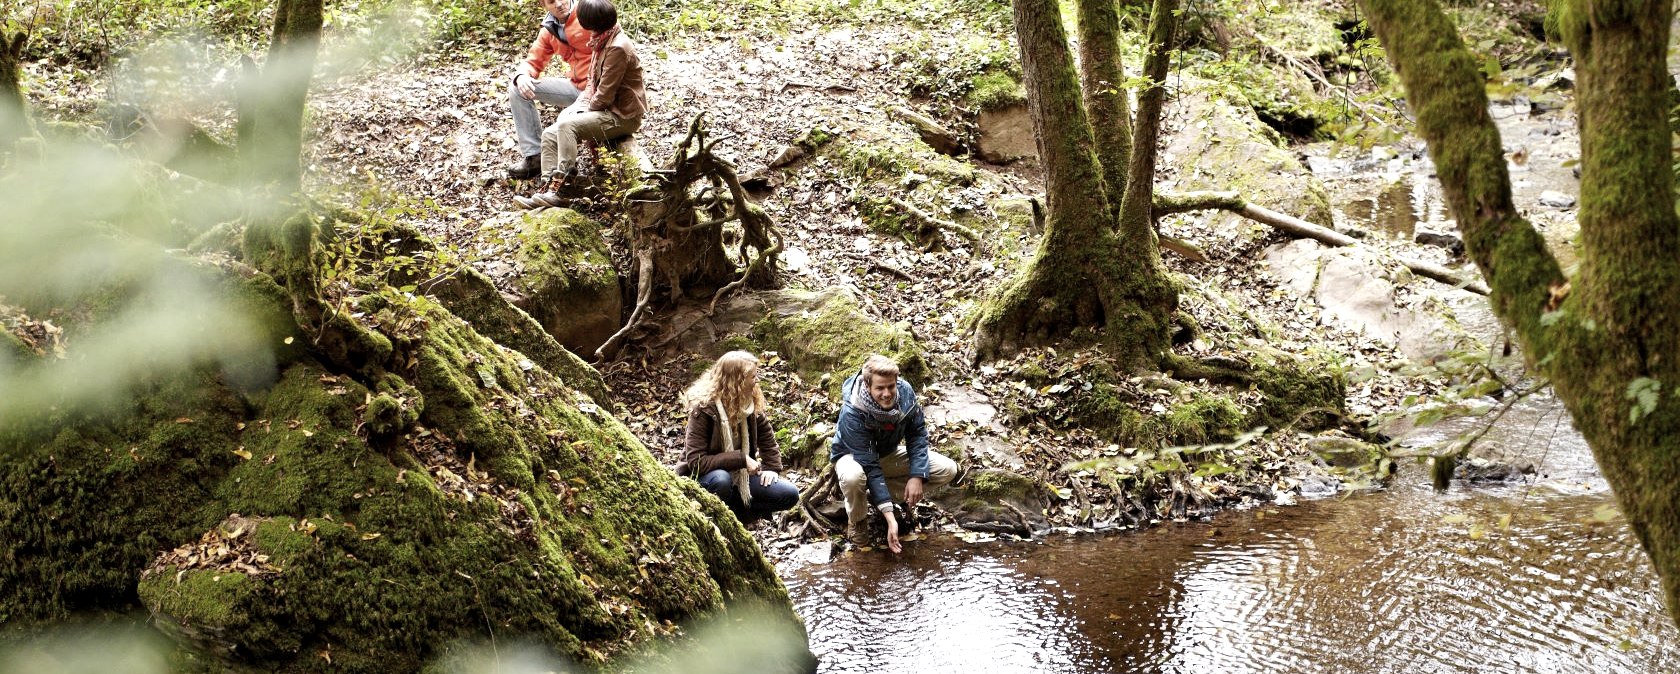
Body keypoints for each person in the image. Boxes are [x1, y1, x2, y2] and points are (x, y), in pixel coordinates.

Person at [513, 0, 646, 209]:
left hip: (621, 115)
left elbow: (604, 97)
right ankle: (548, 189)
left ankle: (562, 185)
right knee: (550, 132)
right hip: (593, 99)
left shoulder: (617, 48)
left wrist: (578, 114)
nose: (559, 4)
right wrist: (576, 107)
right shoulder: (599, 39)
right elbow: (592, 82)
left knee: (567, 126)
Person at [831, 354, 958, 553]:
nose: (887, 393)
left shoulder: (905, 393)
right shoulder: (852, 412)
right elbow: (870, 466)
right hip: (852, 457)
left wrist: (917, 476)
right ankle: (858, 519)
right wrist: (891, 519)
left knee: (947, 469)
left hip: (887, 454)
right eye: (880, 388)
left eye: (891, 386)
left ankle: (880, 497)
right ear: (867, 385)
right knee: (855, 477)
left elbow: (917, 435)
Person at [680, 351, 801, 525]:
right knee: (722, 480)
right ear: (736, 381)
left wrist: (772, 468)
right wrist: (741, 459)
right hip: (705, 478)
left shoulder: (748, 403)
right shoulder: (704, 409)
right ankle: (717, 520)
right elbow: (696, 462)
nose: (757, 380)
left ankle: (739, 514)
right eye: (753, 376)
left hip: (741, 478)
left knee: (789, 494)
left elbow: (767, 439)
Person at [506, 0, 594, 180]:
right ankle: (534, 156)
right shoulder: (549, 29)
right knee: (517, 88)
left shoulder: (588, 12)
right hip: (575, 87)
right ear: (543, 5)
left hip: (599, 88)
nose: (559, 4)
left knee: (565, 123)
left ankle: (566, 172)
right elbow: (533, 61)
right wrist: (522, 75)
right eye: (552, 1)